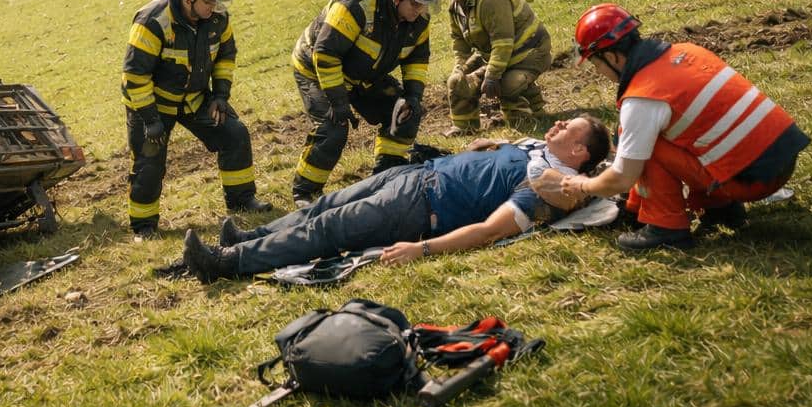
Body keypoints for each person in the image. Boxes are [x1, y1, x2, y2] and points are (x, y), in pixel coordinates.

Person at [182, 116, 611, 281]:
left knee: (327, 230)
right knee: (321, 207)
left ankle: (226, 263)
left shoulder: (553, 187)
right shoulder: (537, 146)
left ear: (579, 153)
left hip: (421, 207)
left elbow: (488, 231)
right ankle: (245, 239)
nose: (557, 123)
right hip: (412, 175)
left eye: (568, 127)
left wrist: (421, 249)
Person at [541, 3, 810, 251]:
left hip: (752, 182)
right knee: (680, 131)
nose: (599, 72)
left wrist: (582, 184)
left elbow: (624, 177)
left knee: (645, 145)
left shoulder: (643, 97)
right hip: (779, 160)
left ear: (613, 57)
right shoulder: (687, 51)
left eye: (596, 64)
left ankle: (666, 227)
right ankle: (719, 209)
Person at [122, 0, 272, 236]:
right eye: (207, 1)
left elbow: (226, 56)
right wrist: (150, 119)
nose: (213, 6)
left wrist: (220, 96)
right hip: (152, 105)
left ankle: (241, 200)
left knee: (234, 133)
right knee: (150, 161)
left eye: (217, 0)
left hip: (195, 98)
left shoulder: (217, 18)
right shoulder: (153, 22)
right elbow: (134, 76)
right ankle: (144, 227)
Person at [289, 0, 438, 207]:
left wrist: (413, 95)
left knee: (405, 111)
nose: (420, 10)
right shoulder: (355, 5)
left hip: (364, 74)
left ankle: (386, 172)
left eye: (425, 5)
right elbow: (326, 54)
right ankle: (305, 191)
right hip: (316, 69)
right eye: (415, 3)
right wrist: (338, 102)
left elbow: (417, 59)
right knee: (333, 127)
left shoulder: (419, 20)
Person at [435, 0, 552, 134]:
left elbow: (503, 42)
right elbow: (459, 42)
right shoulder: (456, 8)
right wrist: (459, 69)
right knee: (456, 82)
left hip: (529, 53)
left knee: (507, 84)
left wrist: (491, 75)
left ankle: (529, 114)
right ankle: (465, 128)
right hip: (497, 56)